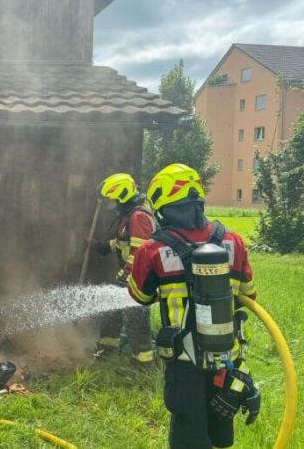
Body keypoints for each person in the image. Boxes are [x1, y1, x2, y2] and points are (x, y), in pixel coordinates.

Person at [127, 163, 260, 449]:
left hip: (185, 361)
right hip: (226, 359)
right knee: (219, 433)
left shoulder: (151, 250)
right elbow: (249, 294)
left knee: (188, 435)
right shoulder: (233, 241)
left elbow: (139, 295)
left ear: (161, 205)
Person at [90, 173, 157, 364]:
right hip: (132, 275)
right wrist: (101, 246)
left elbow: (141, 252)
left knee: (135, 319)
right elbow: (123, 242)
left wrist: (126, 275)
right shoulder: (130, 216)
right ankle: (106, 350)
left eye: (112, 200)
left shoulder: (138, 217)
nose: (111, 204)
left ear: (122, 196)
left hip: (139, 277)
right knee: (111, 311)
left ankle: (143, 362)